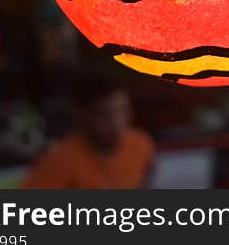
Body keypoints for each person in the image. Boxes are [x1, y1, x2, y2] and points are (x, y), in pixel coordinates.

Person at [22, 72, 155, 188]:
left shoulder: (141, 144)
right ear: (81, 115)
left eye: (121, 110)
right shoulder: (59, 160)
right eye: (104, 115)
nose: (116, 123)